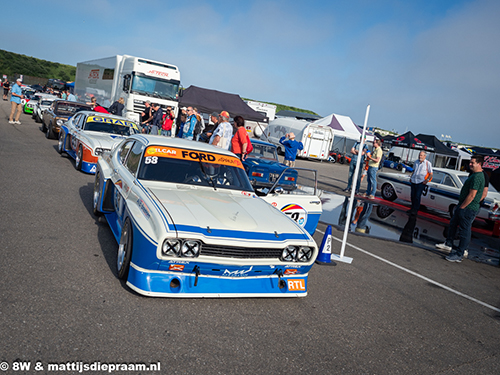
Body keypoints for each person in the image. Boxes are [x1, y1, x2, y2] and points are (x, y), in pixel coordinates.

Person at [436, 155, 485, 263]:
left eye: (473, 163)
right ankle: (450, 245)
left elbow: (472, 195)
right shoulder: (474, 175)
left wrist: (462, 207)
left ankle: (459, 254)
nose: (470, 164)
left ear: (479, 164)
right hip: (464, 206)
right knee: (453, 224)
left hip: (468, 208)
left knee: (464, 230)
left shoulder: (478, 177)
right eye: (470, 162)